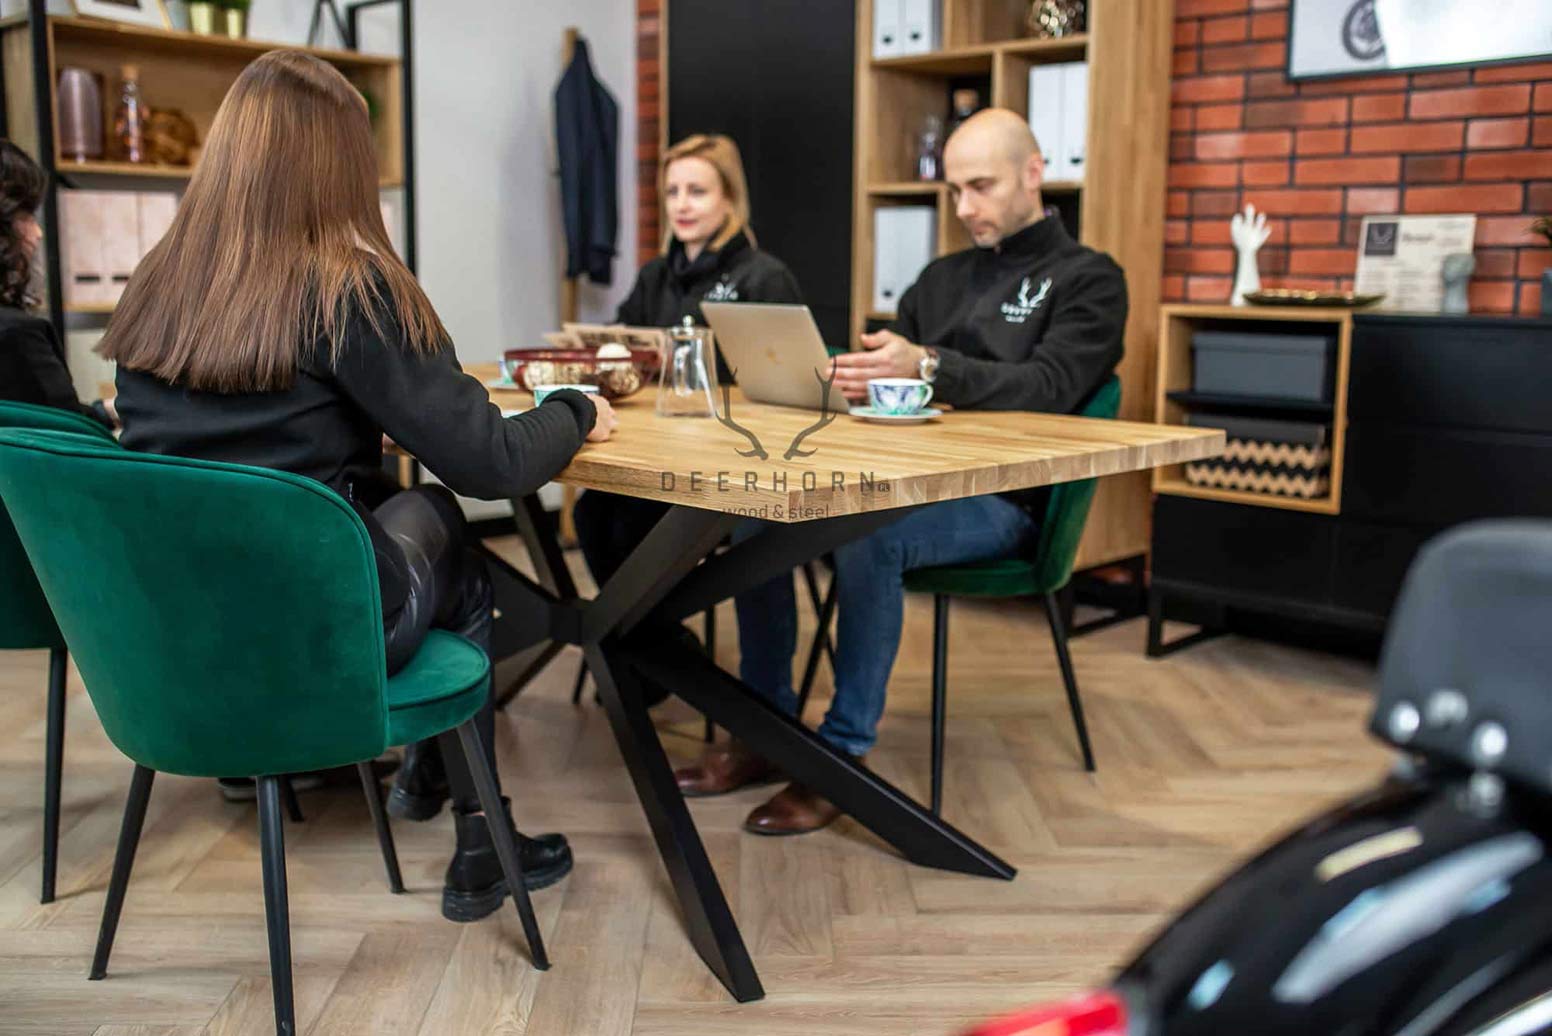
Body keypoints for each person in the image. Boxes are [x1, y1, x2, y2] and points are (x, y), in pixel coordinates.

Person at [103, 51, 618, 922]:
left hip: (174, 632)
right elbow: (488, 460)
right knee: (443, 522)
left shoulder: (158, 287)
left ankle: (422, 769)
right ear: (341, 166)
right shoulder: (350, 289)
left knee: (383, 505)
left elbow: (249, 440)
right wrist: (573, 409)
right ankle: (480, 843)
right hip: (316, 632)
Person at [677, 108, 1128, 834]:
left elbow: (1050, 388)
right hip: (910, 477)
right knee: (752, 512)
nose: (964, 207)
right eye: (953, 190)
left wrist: (929, 365)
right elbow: (909, 394)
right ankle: (762, 728)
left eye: (980, 187)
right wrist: (857, 380)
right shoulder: (939, 279)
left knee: (870, 535)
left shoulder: (1090, 280)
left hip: (1008, 501)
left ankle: (840, 758)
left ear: (1034, 173)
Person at [572, 133, 803, 588]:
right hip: (654, 452)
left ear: (730, 200)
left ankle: (644, 648)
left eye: (697, 192)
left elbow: (790, 387)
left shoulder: (764, 277)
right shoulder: (655, 274)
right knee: (592, 513)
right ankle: (649, 647)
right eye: (673, 192)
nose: (682, 204)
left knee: (628, 523)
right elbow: (622, 348)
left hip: (734, 463)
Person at [0, 140, 114, 428]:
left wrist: (105, 412)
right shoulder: (14, 335)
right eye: (23, 215)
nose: (37, 232)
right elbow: (68, 439)